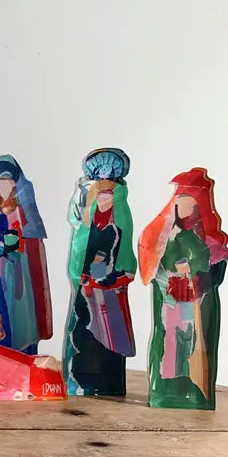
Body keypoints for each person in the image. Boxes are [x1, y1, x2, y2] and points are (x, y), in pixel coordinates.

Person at [138, 168, 228, 409]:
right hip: (171, 300)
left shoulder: (210, 241)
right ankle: (166, 388)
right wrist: (171, 274)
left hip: (195, 301)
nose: (184, 209)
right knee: (170, 344)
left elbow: (212, 268)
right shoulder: (165, 236)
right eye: (180, 204)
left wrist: (194, 272)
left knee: (192, 343)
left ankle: (195, 390)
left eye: (190, 204)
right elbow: (156, 265)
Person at [63, 149, 137, 397]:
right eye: (101, 195)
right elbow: (80, 250)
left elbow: (123, 250)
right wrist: (87, 275)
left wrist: (113, 274)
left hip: (109, 287)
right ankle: (79, 379)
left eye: (109, 195)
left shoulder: (120, 219)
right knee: (84, 329)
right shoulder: (86, 222)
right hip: (88, 284)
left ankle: (108, 381)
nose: (105, 200)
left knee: (110, 335)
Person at [0, 155, 52, 354]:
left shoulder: (25, 213)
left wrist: (19, 247)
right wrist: (1, 246)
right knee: (4, 310)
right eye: (0, 183)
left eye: (10, 182)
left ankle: (27, 352)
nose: (6, 187)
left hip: (23, 271)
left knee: (24, 312)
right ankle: (6, 351)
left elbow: (32, 239)